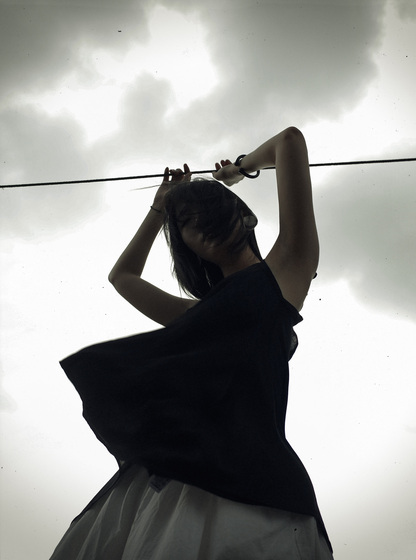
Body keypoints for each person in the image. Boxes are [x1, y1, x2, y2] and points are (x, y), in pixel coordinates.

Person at [50, 127, 334, 559]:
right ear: (185, 245)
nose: (198, 222)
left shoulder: (287, 269)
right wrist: (161, 207)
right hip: (163, 480)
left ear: (246, 218)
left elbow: (290, 141)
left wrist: (238, 171)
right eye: (185, 221)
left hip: (252, 487)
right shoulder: (195, 315)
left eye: (207, 210)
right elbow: (122, 277)